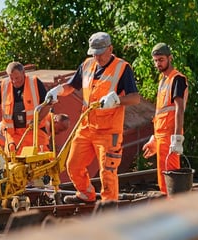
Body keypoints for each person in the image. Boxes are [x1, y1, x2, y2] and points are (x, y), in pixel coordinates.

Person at [45, 31, 141, 203]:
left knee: (107, 171)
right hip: (86, 127)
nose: (97, 57)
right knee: (73, 165)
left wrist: (117, 100)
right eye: (94, 53)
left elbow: (135, 98)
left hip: (108, 131)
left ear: (110, 48)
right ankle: (86, 193)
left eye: (100, 53)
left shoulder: (122, 68)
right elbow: (71, 86)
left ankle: (108, 205)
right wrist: (58, 90)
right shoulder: (87, 65)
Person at [142, 42, 188, 196]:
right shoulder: (163, 81)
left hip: (170, 136)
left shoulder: (177, 79)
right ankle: (169, 206)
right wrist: (155, 138)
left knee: (171, 175)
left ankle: (174, 208)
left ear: (170, 58)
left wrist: (177, 138)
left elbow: (179, 109)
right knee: (163, 176)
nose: (157, 64)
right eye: (155, 60)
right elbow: (161, 112)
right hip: (162, 135)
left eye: (161, 60)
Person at [0, 62, 50, 155]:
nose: (14, 81)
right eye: (11, 78)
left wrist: (38, 119)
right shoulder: (4, 86)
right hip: (13, 137)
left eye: (17, 78)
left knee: (41, 162)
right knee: (12, 166)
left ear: (23, 73)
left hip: (34, 134)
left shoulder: (34, 83)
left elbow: (48, 103)